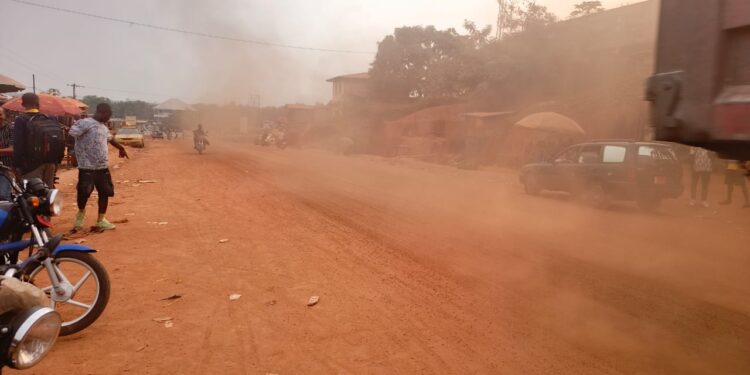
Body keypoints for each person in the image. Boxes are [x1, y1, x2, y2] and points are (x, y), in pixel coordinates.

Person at [69, 103, 129, 230]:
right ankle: (80, 216)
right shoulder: (85, 123)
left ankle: (101, 220)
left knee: (105, 192)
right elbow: (71, 135)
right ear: (102, 112)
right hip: (87, 166)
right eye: (108, 115)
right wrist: (72, 153)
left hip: (102, 167)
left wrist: (121, 148)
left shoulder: (103, 127)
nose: (108, 118)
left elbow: (110, 139)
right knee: (84, 192)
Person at [12, 93, 61, 187]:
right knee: (48, 194)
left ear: (23, 104)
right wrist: (55, 162)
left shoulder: (21, 120)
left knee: (32, 195)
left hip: (30, 165)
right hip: (50, 163)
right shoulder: (50, 118)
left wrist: (16, 165)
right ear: (38, 103)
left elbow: (18, 145)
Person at [0, 110, 13, 201]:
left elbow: (13, 149)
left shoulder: (10, 129)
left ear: (4, 116)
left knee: (4, 197)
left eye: (0, 114)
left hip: (6, 169)